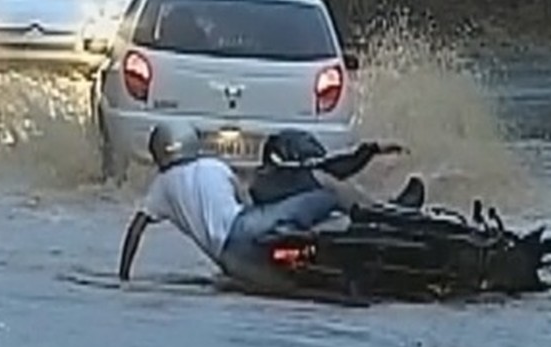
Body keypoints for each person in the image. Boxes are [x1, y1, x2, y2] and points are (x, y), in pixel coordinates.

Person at [118, 121, 412, 292]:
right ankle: (389, 216)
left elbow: (136, 228)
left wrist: (124, 277)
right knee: (332, 196)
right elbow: (244, 200)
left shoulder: (161, 186)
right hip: (246, 227)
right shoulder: (213, 166)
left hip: (233, 263)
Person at [249, 128, 425, 209]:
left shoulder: (259, 184)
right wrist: (372, 149)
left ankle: (381, 209)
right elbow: (334, 166)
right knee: (326, 181)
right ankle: (385, 211)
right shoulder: (295, 176)